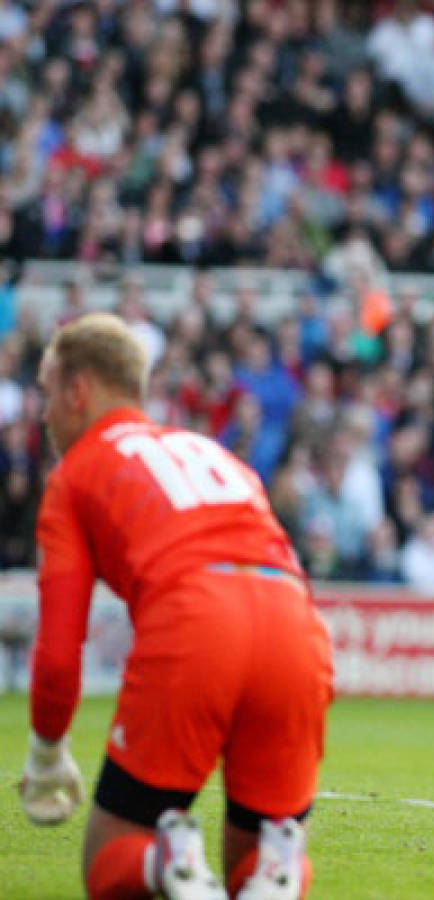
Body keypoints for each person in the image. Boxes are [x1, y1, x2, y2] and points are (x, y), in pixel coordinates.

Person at [19, 313, 332, 899]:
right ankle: (278, 872)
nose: (42, 413)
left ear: (76, 391)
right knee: (259, 852)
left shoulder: (75, 474)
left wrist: (46, 753)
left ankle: (164, 863)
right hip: (295, 621)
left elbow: (59, 652)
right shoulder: (209, 451)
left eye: (45, 393)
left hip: (198, 619)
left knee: (112, 856)